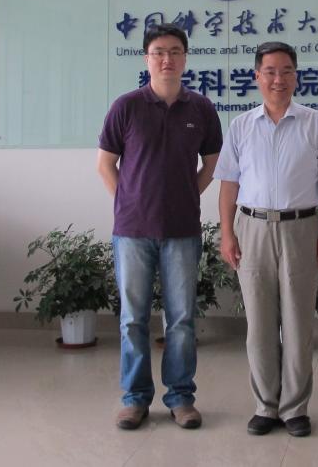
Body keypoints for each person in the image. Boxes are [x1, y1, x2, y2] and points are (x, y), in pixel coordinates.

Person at [97, 23, 223, 430]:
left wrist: (187, 194)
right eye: (158, 52)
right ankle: (134, 398)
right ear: (146, 59)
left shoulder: (201, 108)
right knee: (133, 319)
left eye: (174, 52)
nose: (167, 59)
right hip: (132, 232)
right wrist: (128, 202)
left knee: (181, 319)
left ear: (185, 58)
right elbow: (105, 164)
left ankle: (181, 397)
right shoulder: (126, 107)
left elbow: (213, 164)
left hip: (182, 230)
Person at [214, 41, 318, 438]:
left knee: (299, 322)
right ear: (257, 76)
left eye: (286, 71)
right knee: (259, 324)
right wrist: (227, 233)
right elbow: (229, 185)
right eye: (270, 71)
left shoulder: (317, 123)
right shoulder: (241, 126)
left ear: (296, 76)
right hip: (252, 228)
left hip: (301, 228)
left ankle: (295, 408)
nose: (278, 79)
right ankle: (265, 406)